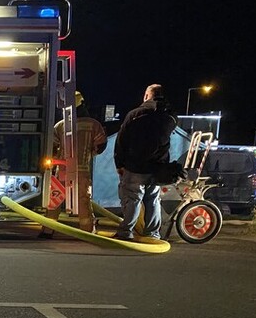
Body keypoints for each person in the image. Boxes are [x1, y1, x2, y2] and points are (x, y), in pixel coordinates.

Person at [113, 84, 177, 240]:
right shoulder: (169, 117)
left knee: (132, 199)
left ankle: (126, 232)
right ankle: (153, 234)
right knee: (153, 200)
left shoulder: (135, 114)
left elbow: (121, 141)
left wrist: (119, 164)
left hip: (134, 166)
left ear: (147, 96)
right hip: (157, 168)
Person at [41, 91, 107, 236]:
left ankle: (47, 230)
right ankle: (87, 231)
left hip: (62, 170)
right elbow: (101, 146)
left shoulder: (60, 125)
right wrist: (89, 153)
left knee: (55, 199)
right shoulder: (93, 124)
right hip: (82, 171)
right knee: (83, 200)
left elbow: (51, 147)